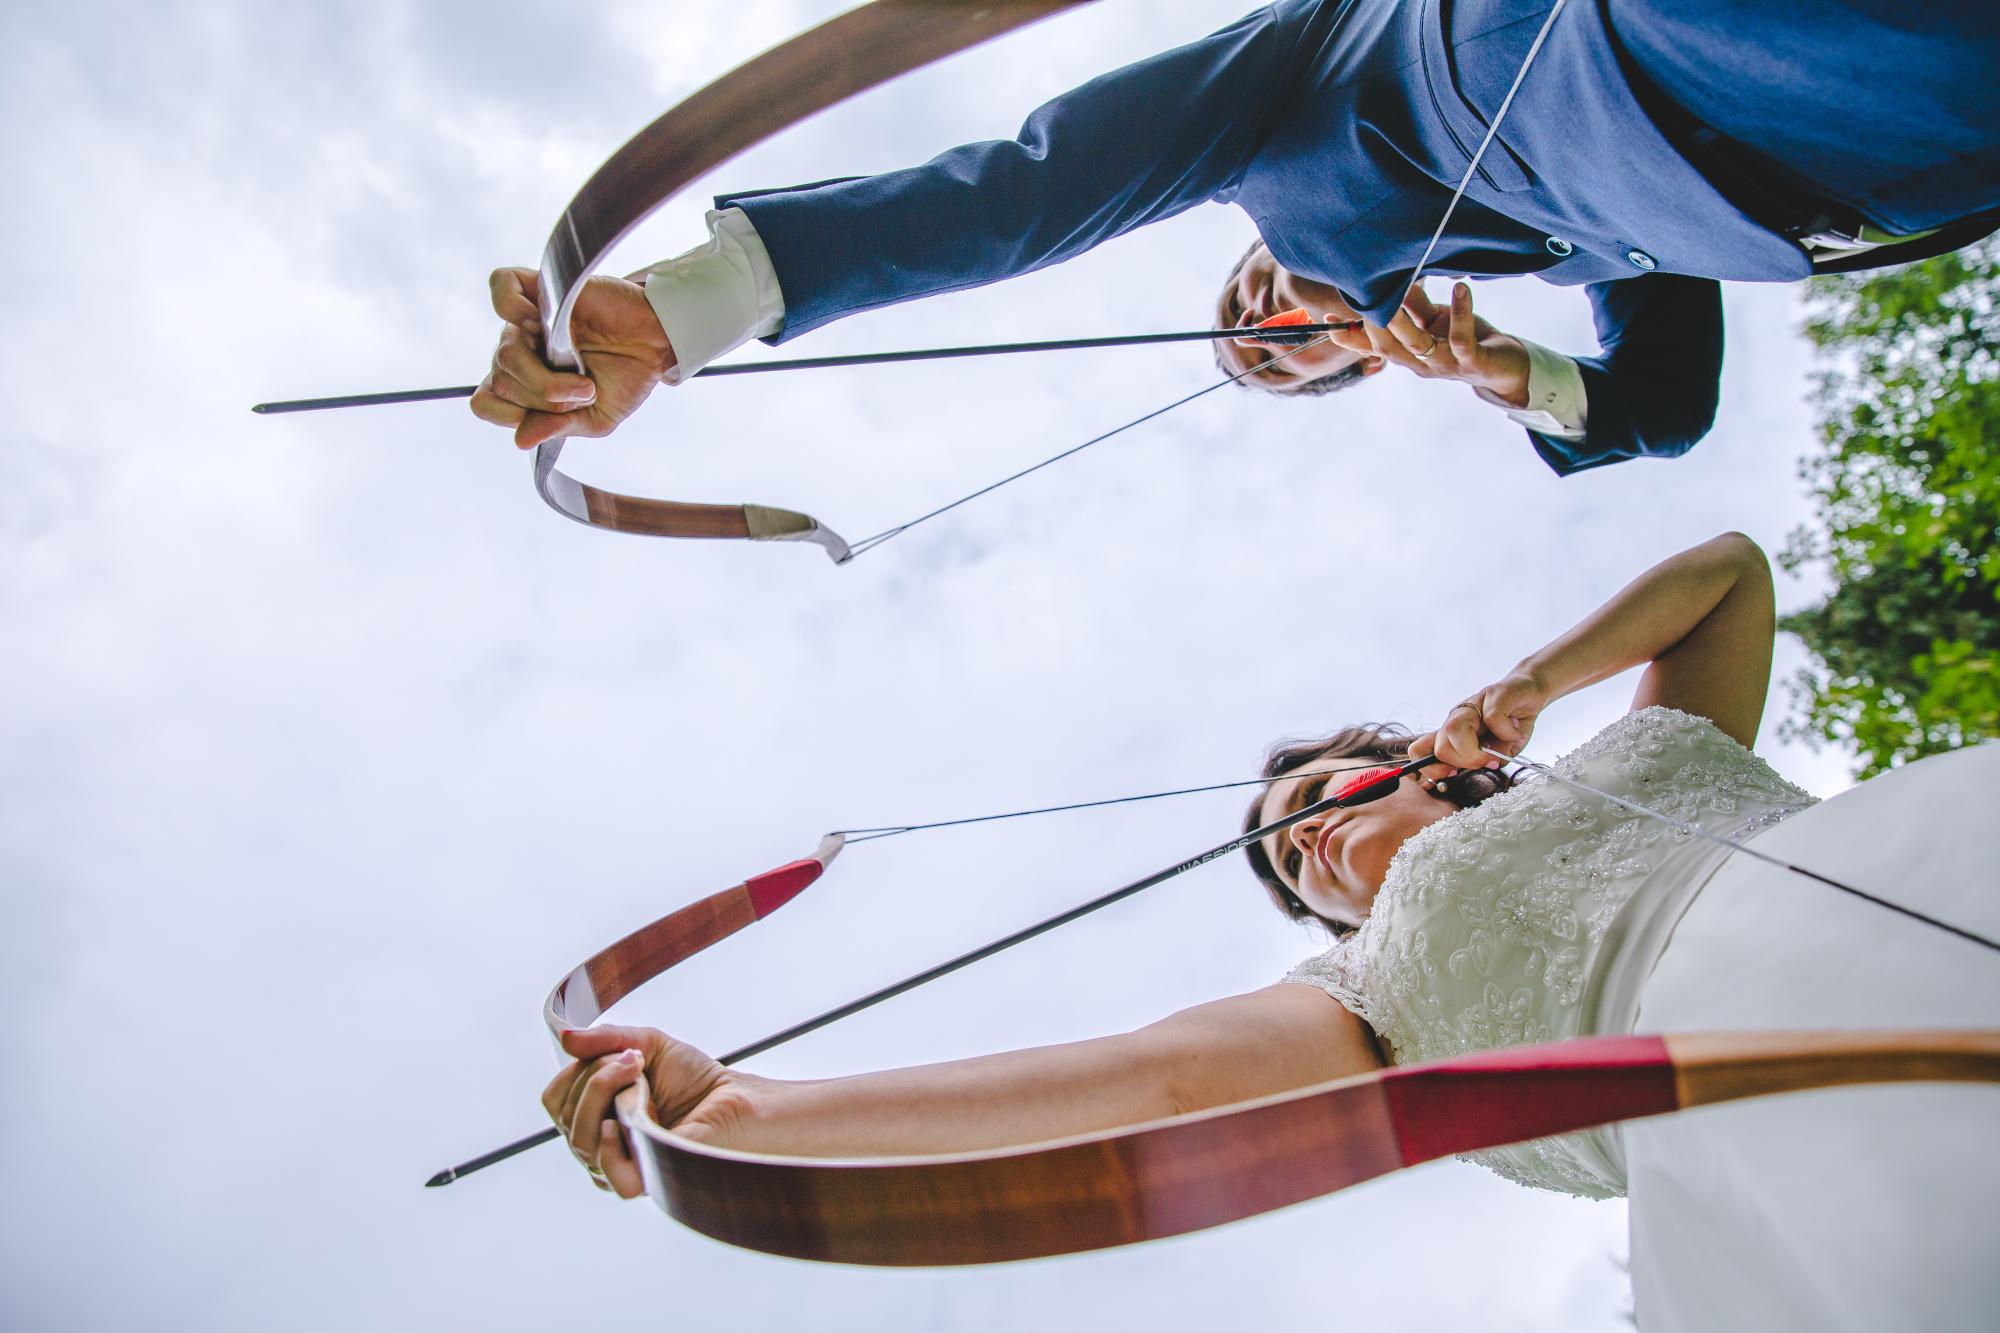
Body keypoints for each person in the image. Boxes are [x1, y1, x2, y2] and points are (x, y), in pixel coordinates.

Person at [544, 531, 1999, 1327]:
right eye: (1287, 863)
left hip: (1896, 869)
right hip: (1738, 1151)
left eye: (1309, 799)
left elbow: (1729, 574)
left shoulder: (1638, 751)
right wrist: (751, 1111)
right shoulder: (1360, 991)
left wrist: (1537, 681)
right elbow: (1145, 1082)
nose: (1299, 842)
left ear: (1429, 759)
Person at [474, 1, 1999, 476]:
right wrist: (1511, 373)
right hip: (1880, 173)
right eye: (1283, 364)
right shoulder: (1575, 276)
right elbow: (1669, 410)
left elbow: (1028, 187)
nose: (1269, 322)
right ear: (1357, 362)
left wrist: (690, 305)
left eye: (1244, 307)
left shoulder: (1280, 118)